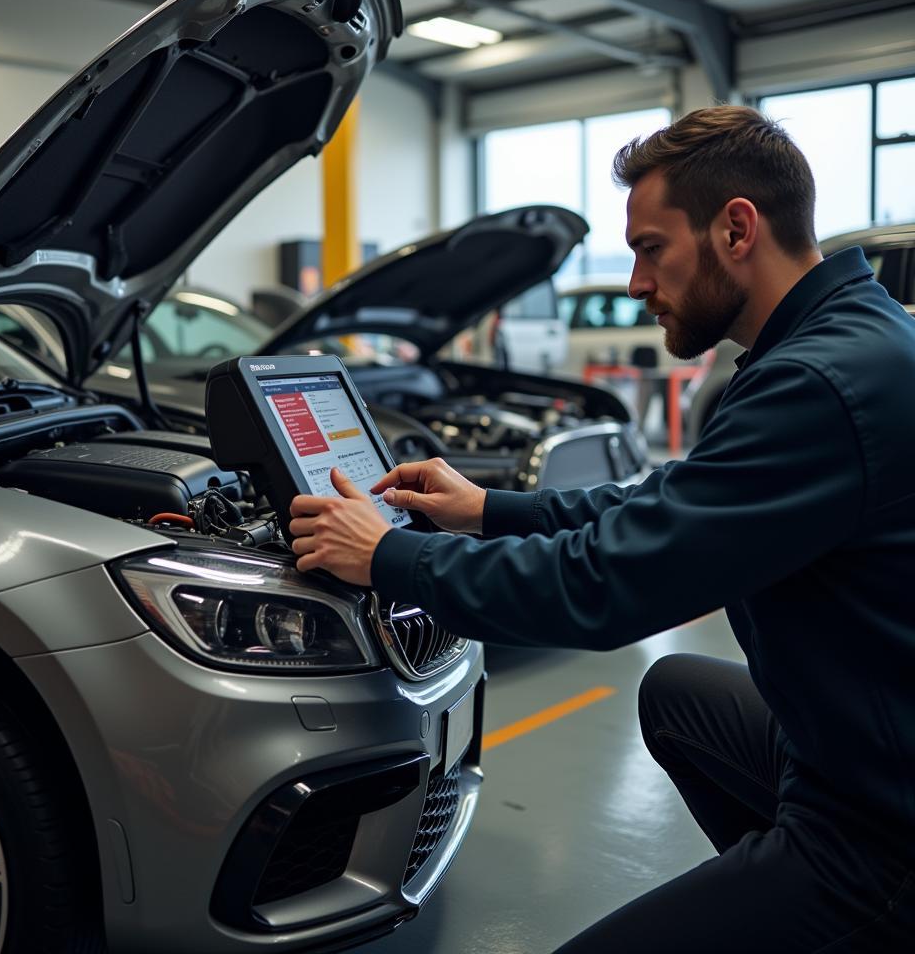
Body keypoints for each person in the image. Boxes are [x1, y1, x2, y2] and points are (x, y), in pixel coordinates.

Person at [287, 106, 915, 952]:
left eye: (651, 247)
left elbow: (602, 588)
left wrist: (388, 555)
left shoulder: (818, 389)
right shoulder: (852, 339)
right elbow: (675, 502)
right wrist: (487, 509)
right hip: (853, 743)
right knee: (677, 696)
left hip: (880, 822)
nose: (635, 282)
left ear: (737, 229)